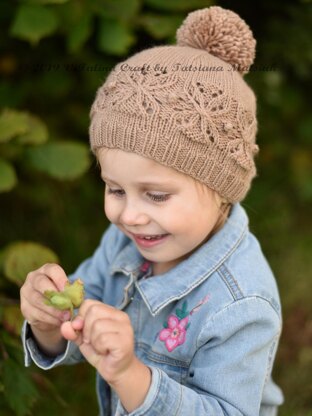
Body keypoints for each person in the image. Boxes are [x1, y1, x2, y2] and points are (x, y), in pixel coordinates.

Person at [20, 6, 284, 415]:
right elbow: (82, 330)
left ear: (221, 189)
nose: (129, 216)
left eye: (156, 195)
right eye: (114, 189)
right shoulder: (126, 242)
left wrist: (130, 376)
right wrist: (48, 325)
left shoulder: (241, 303)